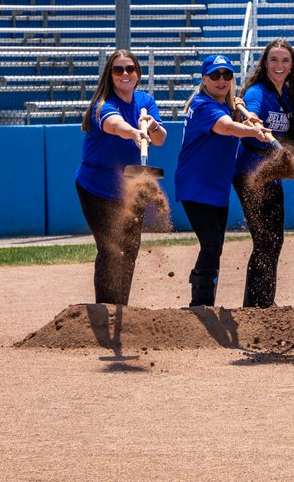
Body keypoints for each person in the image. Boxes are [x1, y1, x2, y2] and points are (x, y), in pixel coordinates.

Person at [175, 55, 272, 307]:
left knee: (215, 245)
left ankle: (206, 301)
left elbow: (232, 120)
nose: (221, 80)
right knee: (210, 243)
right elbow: (227, 127)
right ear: (204, 79)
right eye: (215, 75)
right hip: (196, 186)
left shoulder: (226, 106)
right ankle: (199, 303)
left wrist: (245, 115)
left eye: (226, 75)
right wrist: (252, 130)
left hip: (217, 188)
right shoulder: (202, 105)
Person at [74, 49, 166, 305]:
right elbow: (115, 125)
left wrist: (151, 125)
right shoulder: (103, 104)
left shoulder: (145, 101)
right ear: (110, 75)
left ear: (137, 73)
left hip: (129, 188)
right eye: (118, 70)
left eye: (130, 69)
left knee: (129, 249)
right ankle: (106, 309)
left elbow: (160, 139)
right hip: (96, 189)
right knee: (111, 249)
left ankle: (121, 307)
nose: (125, 74)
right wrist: (136, 132)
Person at [232, 39, 294, 308]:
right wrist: (251, 119)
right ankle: (255, 306)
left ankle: (263, 302)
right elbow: (250, 112)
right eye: (274, 60)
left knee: (275, 239)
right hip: (250, 174)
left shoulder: (286, 94)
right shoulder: (258, 93)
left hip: (270, 173)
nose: (280, 65)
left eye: (285, 60)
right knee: (264, 240)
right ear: (264, 63)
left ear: (292, 65)